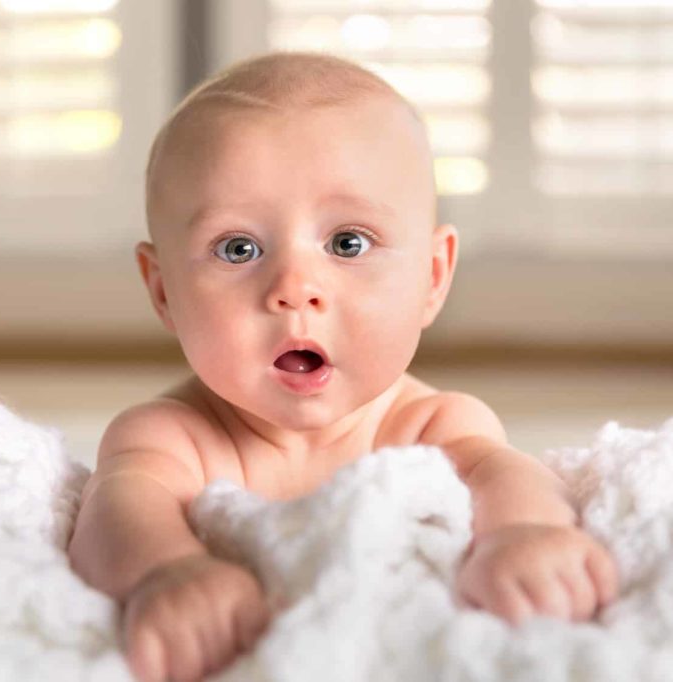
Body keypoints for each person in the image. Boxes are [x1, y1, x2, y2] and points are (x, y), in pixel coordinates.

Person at [67, 51, 619, 682]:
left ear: (432, 277)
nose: (295, 287)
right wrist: (167, 572)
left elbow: (506, 477)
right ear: (163, 290)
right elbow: (116, 513)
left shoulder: (433, 423)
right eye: (238, 247)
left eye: (348, 243)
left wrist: (521, 533)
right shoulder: (167, 436)